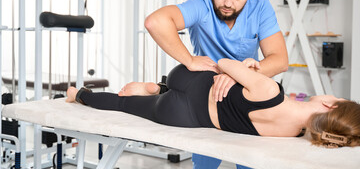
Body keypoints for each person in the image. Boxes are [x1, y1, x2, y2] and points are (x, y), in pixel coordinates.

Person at [144, 0, 288, 167]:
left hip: (247, 94)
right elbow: (155, 22)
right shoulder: (201, 3)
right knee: (204, 164)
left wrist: (238, 75)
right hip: (209, 96)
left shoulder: (260, 6)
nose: (228, 3)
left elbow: (280, 60)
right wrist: (190, 60)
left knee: (249, 161)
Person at [66, 58, 360, 151]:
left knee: (208, 66)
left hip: (191, 80)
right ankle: (78, 94)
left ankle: (160, 85)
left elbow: (222, 62)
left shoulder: (270, 89)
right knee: (121, 104)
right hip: (183, 116)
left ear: (331, 106)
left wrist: (248, 67)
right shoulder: (291, 134)